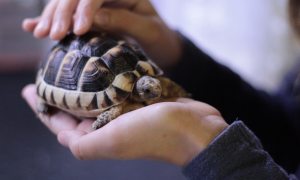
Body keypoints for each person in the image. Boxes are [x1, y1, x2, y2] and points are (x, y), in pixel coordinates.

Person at [21, 0, 300, 179]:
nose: (155, 90)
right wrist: (174, 53)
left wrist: (209, 146)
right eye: (150, 88)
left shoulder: (133, 94)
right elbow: (288, 131)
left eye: (153, 88)